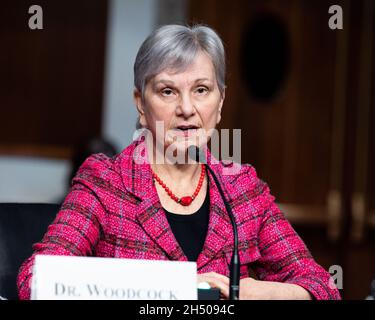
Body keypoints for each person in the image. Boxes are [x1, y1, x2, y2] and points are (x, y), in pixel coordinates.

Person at [17, 24, 341, 300]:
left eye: (201, 89)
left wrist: (251, 291)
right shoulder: (106, 182)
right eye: (168, 91)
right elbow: (34, 280)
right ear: (140, 104)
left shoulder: (243, 190)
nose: (187, 108)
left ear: (221, 101)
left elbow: (323, 286)